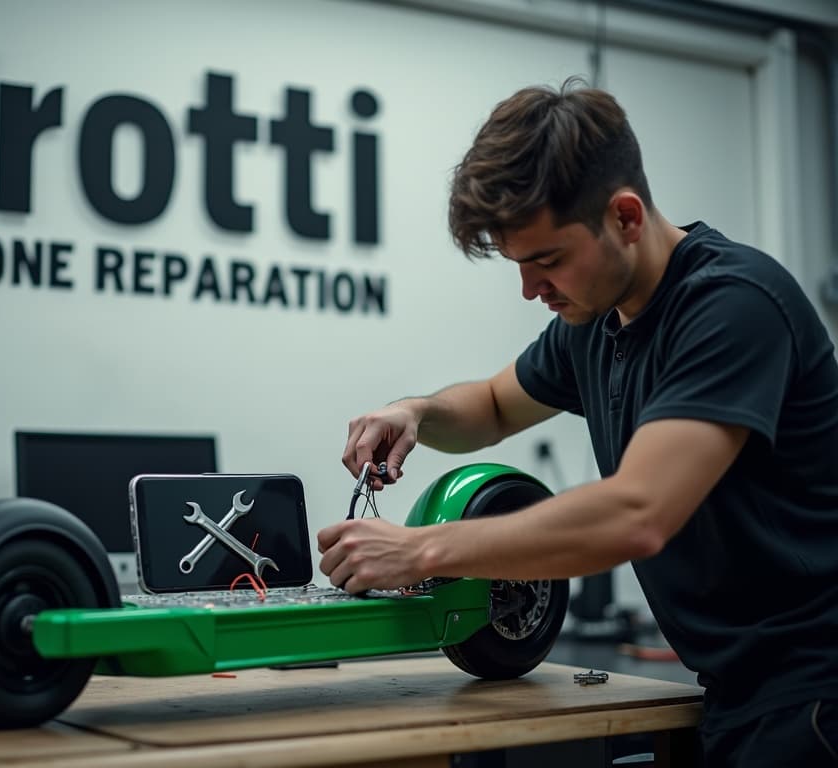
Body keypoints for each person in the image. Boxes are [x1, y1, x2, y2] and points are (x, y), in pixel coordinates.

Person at [317, 78, 838, 766]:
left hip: (815, 693)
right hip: (736, 693)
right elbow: (495, 405)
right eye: (519, 266)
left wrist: (419, 551)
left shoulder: (733, 306)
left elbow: (637, 513)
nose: (532, 290)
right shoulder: (593, 322)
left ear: (625, 217)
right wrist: (415, 411)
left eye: (547, 260)